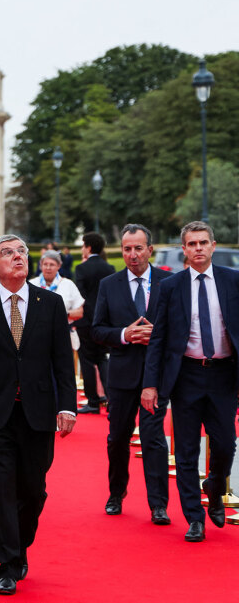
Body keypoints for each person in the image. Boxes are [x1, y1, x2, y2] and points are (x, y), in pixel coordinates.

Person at [0, 234, 76, 595]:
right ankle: (7, 563)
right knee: (1, 489)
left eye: (21, 251)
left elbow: (61, 362)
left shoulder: (51, 304)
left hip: (38, 412)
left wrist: (67, 405)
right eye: (7, 253)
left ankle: (20, 544)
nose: (17, 257)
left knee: (33, 490)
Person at [142, 221, 239, 543]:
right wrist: (150, 383)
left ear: (213, 245)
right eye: (192, 244)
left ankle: (214, 483)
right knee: (184, 450)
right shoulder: (170, 287)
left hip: (224, 374)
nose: (198, 248)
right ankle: (194, 517)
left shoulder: (232, 281)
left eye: (203, 242)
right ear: (184, 249)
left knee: (225, 443)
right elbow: (157, 339)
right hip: (186, 375)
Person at [91, 224, 171, 525]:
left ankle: (158, 504)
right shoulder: (109, 284)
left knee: (153, 440)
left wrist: (158, 334)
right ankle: (116, 493)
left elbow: (181, 324)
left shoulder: (169, 281)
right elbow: (97, 329)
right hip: (121, 376)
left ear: (149, 249)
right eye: (127, 249)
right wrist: (125, 333)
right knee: (117, 439)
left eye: (138, 248)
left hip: (155, 377)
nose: (133, 254)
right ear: (121, 250)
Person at [74, 232, 115, 414]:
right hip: (105, 322)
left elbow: (80, 297)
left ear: (88, 247)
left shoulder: (81, 269)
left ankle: (93, 402)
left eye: (83, 245)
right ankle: (110, 399)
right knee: (102, 359)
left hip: (86, 321)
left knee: (87, 361)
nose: (82, 249)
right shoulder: (110, 268)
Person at [28, 250, 85, 322]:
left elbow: (80, 312)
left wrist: (62, 314)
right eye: (45, 264)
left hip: (62, 329)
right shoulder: (32, 284)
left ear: (59, 266)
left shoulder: (68, 284)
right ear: (41, 265)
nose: (48, 268)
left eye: (52, 265)